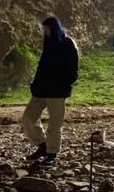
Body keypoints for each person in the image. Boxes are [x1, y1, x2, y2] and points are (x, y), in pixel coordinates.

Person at [21, 16, 79, 165]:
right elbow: (42, 67)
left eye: (47, 29)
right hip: (41, 90)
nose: (46, 32)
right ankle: (42, 145)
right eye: (44, 30)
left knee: (55, 124)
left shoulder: (67, 43)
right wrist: (35, 84)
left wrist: (64, 84)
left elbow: (73, 69)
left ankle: (52, 153)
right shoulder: (49, 44)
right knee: (28, 118)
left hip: (58, 91)